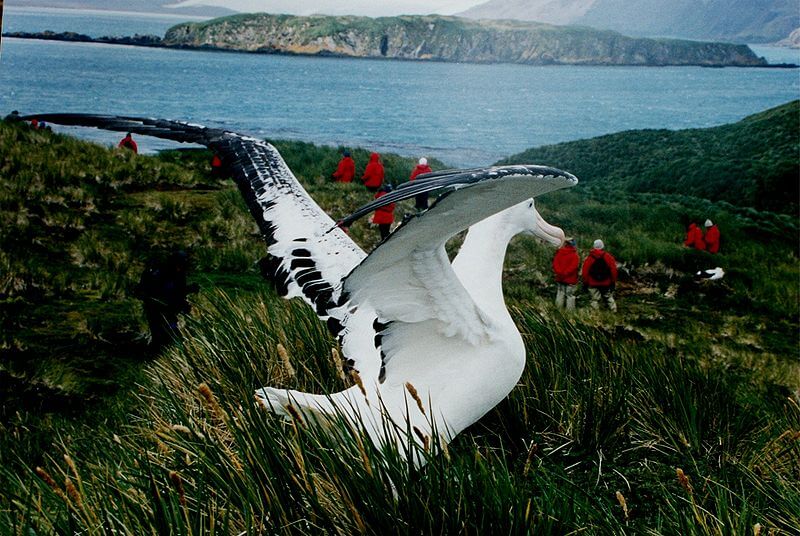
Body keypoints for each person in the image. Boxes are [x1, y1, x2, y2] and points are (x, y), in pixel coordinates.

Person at [134, 250, 199, 350]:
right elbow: (165, 293)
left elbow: (177, 291)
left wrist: (188, 292)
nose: (182, 267)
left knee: (167, 335)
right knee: (163, 336)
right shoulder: (160, 273)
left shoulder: (178, 273)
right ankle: (157, 356)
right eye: (181, 264)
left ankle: (161, 354)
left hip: (167, 310)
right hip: (157, 309)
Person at [582, 239, 618, 312]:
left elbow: (585, 271)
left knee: (594, 299)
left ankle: (595, 313)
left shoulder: (589, 258)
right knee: (608, 297)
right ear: (602, 246)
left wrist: (585, 282)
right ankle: (614, 311)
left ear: (594, 246)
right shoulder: (608, 257)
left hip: (592, 282)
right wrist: (613, 281)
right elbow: (613, 270)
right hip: (606, 282)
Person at [552, 237, 580, 310]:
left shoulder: (559, 253)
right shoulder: (575, 256)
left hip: (560, 278)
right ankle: (570, 314)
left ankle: (558, 310)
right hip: (570, 279)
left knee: (560, 294)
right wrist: (565, 273)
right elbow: (573, 267)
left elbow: (555, 264)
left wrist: (559, 272)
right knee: (570, 296)